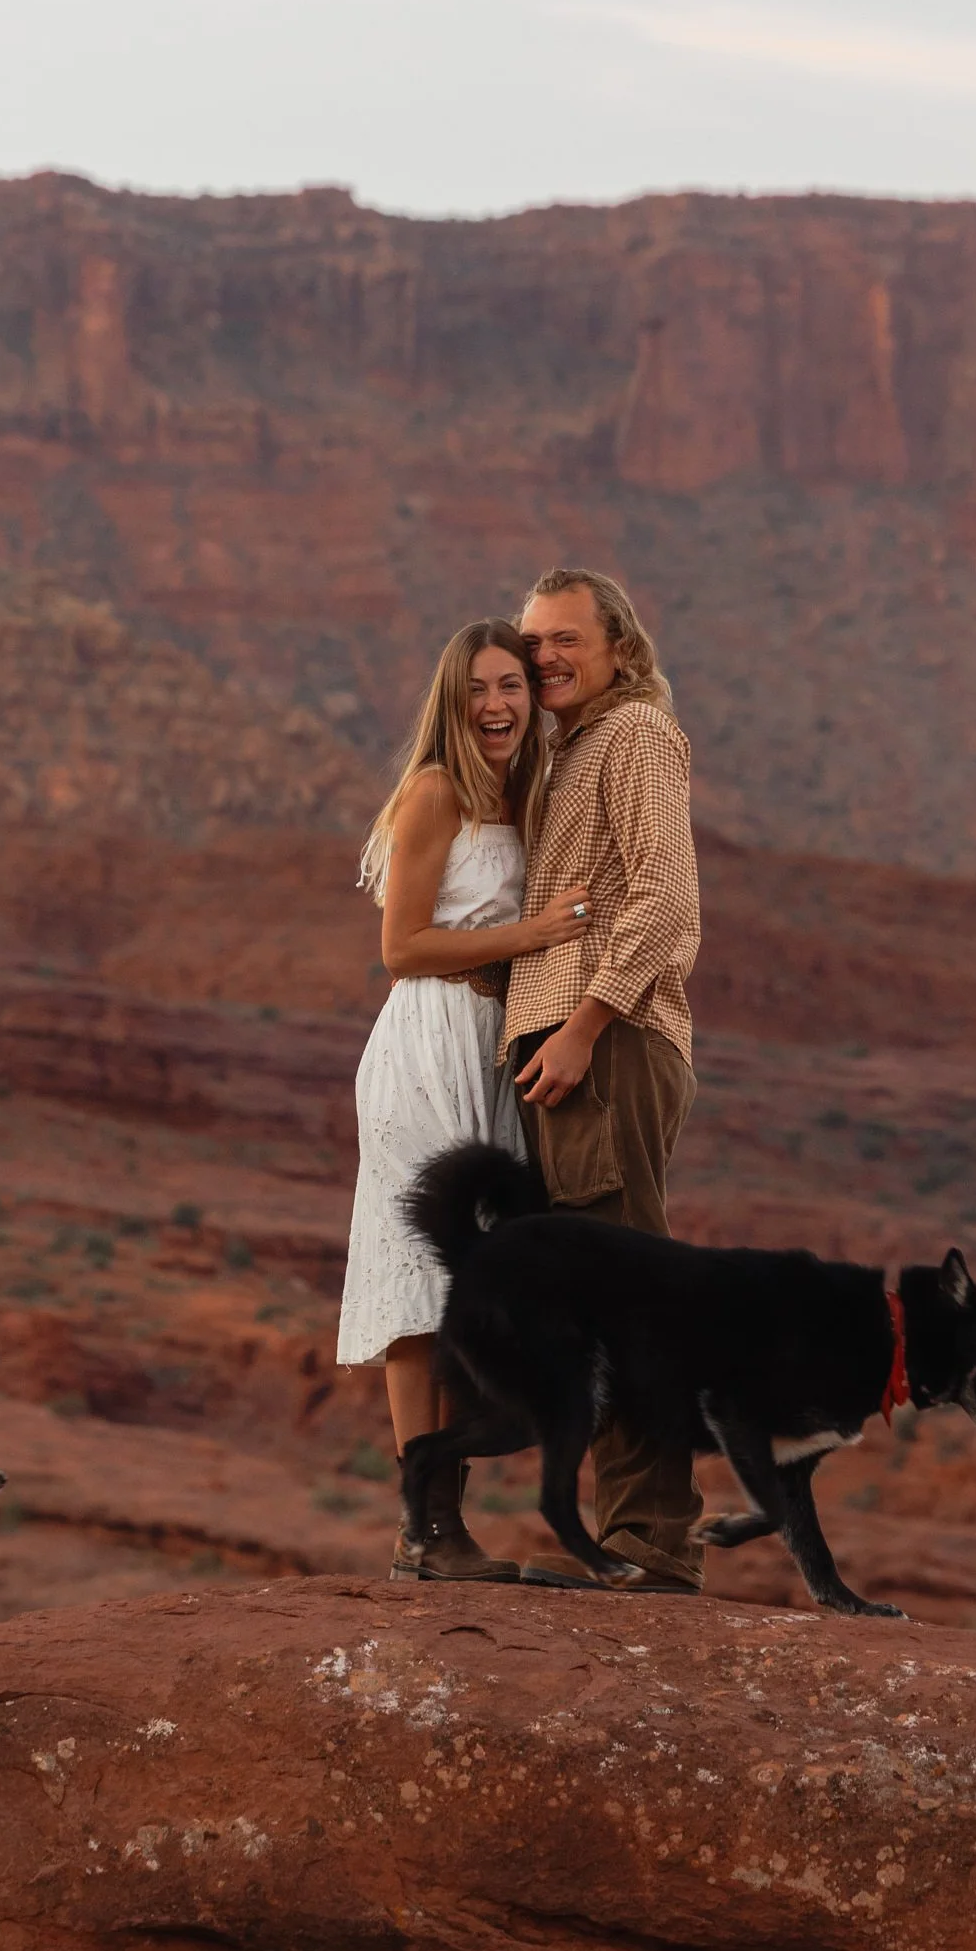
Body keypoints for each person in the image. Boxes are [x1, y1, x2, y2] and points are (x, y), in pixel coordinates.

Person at [337, 618, 592, 1581]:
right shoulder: (436, 790)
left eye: (511, 687)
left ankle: (443, 1524)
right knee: (421, 1285)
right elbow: (401, 947)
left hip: (489, 1045)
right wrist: (532, 935)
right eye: (478, 689)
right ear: (452, 700)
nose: (496, 705)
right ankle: (427, 1530)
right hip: (425, 1044)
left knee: (474, 1290)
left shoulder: (524, 793)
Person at [507, 566, 704, 1593]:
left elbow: (666, 901)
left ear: (618, 648)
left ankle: (650, 1542)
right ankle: (632, 1536)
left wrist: (585, 1026)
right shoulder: (568, 750)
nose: (544, 656)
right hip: (568, 1048)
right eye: (533, 640)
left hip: (607, 1043)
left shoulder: (632, 734)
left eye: (566, 638)